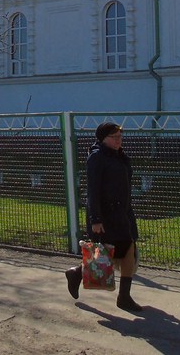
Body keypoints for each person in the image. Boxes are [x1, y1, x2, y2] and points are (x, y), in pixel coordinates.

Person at [64, 121, 142, 312]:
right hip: (105, 215)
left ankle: (123, 296)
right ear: (103, 139)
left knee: (127, 249)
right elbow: (93, 191)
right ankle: (78, 274)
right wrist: (95, 220)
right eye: (114, 137)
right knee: (106, 252)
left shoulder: (121, 157)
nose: (118, 141)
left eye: (120, 137)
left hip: (123, 213)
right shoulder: (97, 158)